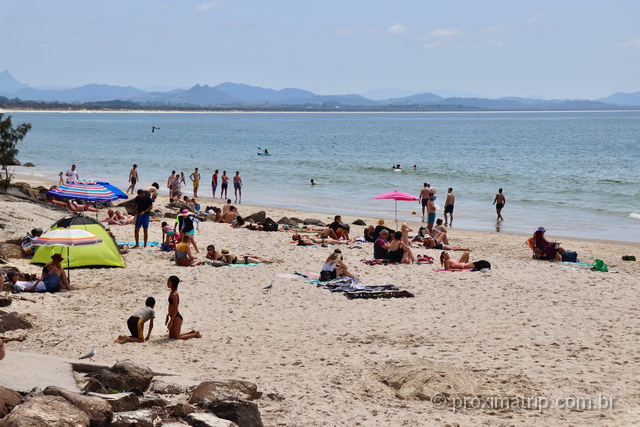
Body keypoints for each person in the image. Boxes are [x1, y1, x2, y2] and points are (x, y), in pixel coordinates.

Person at [166, 276, 202, 340]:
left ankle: (195, 334)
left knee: (176, 337)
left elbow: (176, 309)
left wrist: (171, 321)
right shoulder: (172, 292)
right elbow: (171, 306)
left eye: (168, 282)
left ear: (173, 283)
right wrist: (168, 315)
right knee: (171, 336)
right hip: (173, 316)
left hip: (176, 317)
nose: (167, 283)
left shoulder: (174, 294)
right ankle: (191, 332)